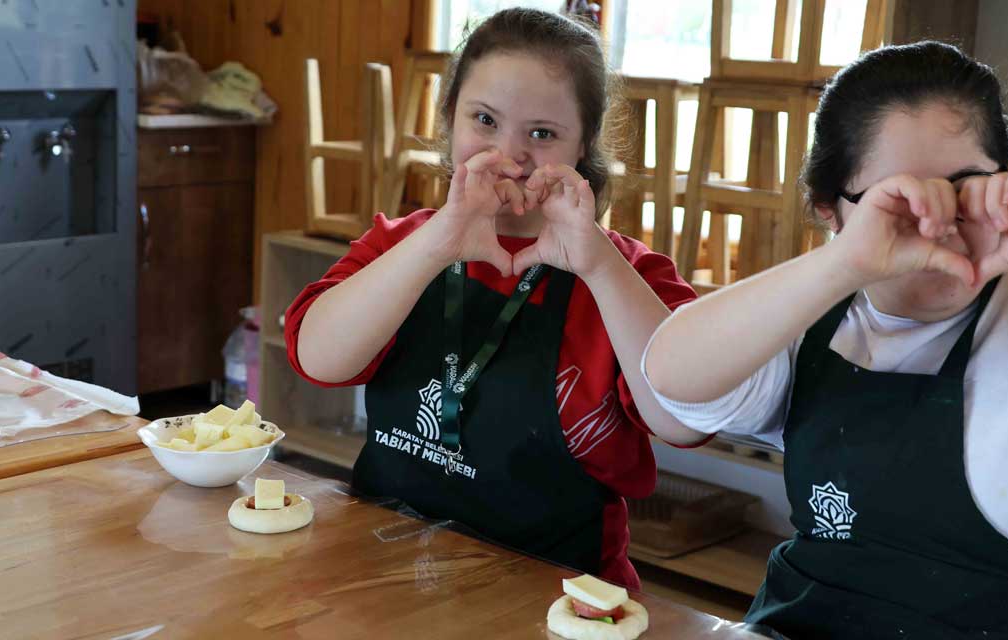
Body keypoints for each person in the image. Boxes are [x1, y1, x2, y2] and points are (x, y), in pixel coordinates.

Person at [641, 41, 1008, 639]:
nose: (939, 229)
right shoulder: (812, 310)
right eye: (900, 203)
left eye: (965, 193)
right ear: (831, 210)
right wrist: (842, 267)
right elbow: (673, 380)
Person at [284, 8, 698, 590]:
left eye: (543, 134)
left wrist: (598, 265)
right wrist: (437, 244)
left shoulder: (628, 273)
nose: (511, 154)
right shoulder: (401, 244)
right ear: (450, 119)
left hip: (557, 596)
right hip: (380, 578)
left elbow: (686, 419)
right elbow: (316, 357)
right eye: (485, 120)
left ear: (584, 147)